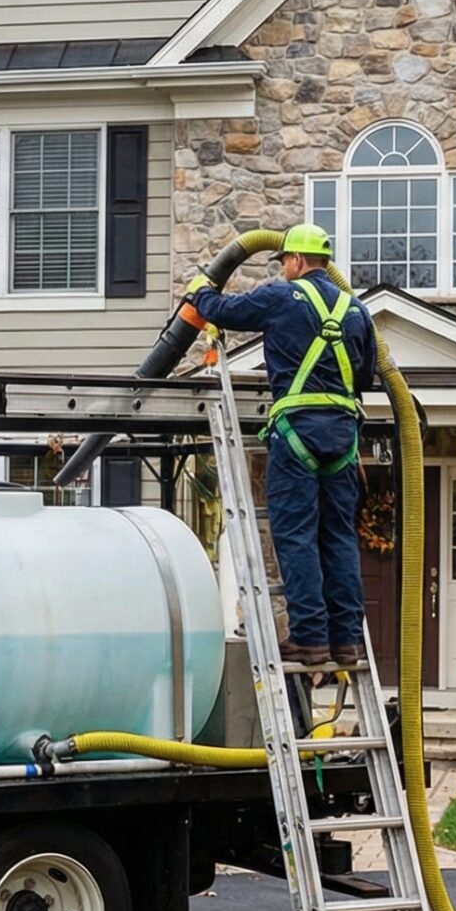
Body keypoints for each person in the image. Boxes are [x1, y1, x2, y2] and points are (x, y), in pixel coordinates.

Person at [182, 223, 377, 668]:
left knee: (296, 534)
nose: (284, 268)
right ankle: (347, 639)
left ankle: (309, 637)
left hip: (297, 432)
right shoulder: (356, 310)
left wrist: (199, 291)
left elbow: (224, 310)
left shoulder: (281, 296)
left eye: (285, 261)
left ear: (296, 260)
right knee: (339, 536)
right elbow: (365, 377)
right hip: (343, 438)